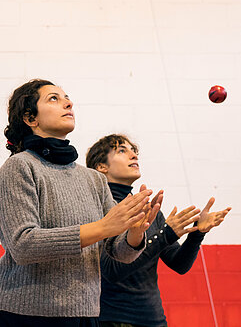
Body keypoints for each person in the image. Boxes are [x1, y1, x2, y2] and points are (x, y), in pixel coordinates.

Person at [0, 79, 162, 327]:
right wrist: (104, 227)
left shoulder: (92, 178)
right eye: (54, 98)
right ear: (31, 118)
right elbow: (23, 245)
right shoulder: (19, 167)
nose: (68, 103)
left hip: (86, 312)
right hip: (27, 314)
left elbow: (119, 252)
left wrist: (134, 234)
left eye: (67, 98)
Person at [85, 134, 231, 327]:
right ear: (101, 167)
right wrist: (165, 236)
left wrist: (197, 234)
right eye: (122, 150)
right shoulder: (96, 208)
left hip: (153, 319)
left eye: (134, 151)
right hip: (112, 320)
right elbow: (112, 271)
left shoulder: (148, 210)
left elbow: (179, 264)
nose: (133, 155)